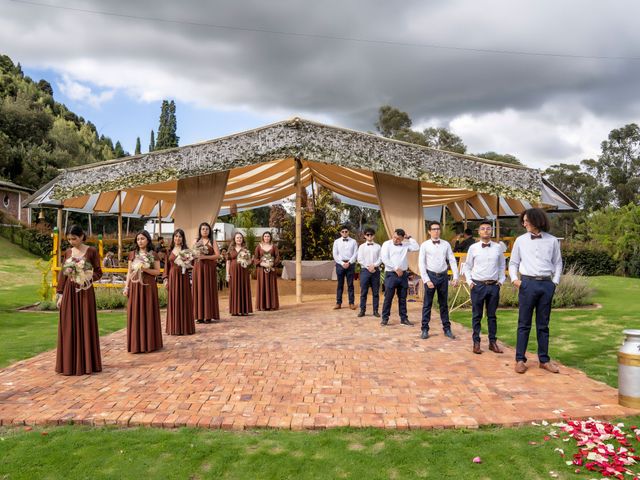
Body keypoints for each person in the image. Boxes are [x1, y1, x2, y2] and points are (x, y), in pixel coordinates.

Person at [509, 208, 563, 374]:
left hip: (546, 285)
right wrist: (515, 280)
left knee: (543, 325)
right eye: (523, 220)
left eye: (527, 220)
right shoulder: (520, 240)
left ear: (536, 220)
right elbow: (513, 263)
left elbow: (558, 263)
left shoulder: (553, 241)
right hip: (527, 284)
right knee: (523, 323)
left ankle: (544, 360)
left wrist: (554, 283)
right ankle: (520, 359)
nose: (524, 223)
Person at [55, 225, 102, 375]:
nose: (71, 241)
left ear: (82, 236)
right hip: (70, 292)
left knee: (86, 323)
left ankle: (88, 363)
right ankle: (69, 364)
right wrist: (60, 294)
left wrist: (87, 277)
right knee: (68, 324)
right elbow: (63, 274)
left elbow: (99, 272)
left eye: (73, 238)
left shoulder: (92, 251)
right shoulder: (68, 252)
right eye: (68, 239)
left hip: (85, 291)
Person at [462, 221, 506, 354]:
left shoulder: (498, 247)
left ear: (491, 231)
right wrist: (470, 281)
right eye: (483, 229)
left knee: (492, 316)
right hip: (478, 286)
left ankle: (493, 342)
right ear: (479, 232)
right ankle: (476, 342)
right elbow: (467, 266)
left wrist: (501, 281)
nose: (486, 231)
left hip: (493, 286)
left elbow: (502, 266)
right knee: (477, 315)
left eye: (488, 228)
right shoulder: (473, 248)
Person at [124, 230, 163, 353]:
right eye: (138, 239)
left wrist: (146, 269)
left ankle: (150, 343)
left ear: (148, 240)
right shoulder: (132, 254)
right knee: (135, 312)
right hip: (135, 286)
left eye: (142, 239)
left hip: (148, 286)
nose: (140, 241)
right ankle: (137, 344)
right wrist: (126, 287)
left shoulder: (153, 254)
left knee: (149, 312)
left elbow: (157, 272)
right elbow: (129, 272)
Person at [418, 221, 459, 340]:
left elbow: (451, 260)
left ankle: (447, 329)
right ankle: (424, 329)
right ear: (429, 231)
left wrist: (455, 277)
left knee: (443, 304)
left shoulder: (446, 244)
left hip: (443, 276)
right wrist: (426, 280)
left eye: (438, 229)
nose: (436, 231)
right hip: (430, 276)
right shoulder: (424, 245)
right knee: (427, 304)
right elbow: (421, 263)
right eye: (434, 229)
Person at [380, 228, 419, 326]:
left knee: (403, 298)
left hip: (403, 275)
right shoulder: (386, 244)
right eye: (394, 237)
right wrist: (396, 268)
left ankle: (404, 319)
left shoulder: (406, 245)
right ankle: (385, 318)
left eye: (398, 238)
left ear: (402, 239)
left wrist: (409, 237)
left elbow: (416, 247)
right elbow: (384, 258)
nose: (395, 239)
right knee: (388, 297)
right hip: (391, 274)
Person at [163, 229, 195, 336]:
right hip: (173, 277)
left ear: (183, 238)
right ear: (173, 238)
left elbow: (192, 265)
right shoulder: (168, 251)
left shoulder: (187, 251)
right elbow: (166, 267)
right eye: (176, 236)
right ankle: (174, 327)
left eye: (180, 236)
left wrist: (187, 262)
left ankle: (185, 327)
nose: (178, 238)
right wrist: (166, 279)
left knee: (185, 300)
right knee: (174, 300)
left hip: (184, 276)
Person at [192, 222, 221, 324]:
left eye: (207, 229)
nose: (205, 231)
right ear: (200, 231)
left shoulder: (212, 241)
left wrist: (205, 257)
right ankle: (199, 316)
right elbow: (192, 254)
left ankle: (208, 315)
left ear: (210, 231)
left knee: (208, 289)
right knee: (199, 289)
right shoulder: (196, 241)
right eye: (203, 229)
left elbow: (217, 255)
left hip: (209, 268)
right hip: (198, 267)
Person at [356, 227, 381, 317]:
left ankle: (375, 311)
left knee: (376, 292)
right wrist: (368, 266)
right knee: (364, 292)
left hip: (375, 270)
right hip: (365, 271)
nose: (369, 236)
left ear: (374, 236)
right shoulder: (361, 247)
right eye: (367, 235)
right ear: (365, 236)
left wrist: (374, 266)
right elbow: (359, 259)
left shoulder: (378, 246)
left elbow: (381, 258)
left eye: (371, 234)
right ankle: (362, 310)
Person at [332, 225, 358, 310]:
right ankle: (338, 303)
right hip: (340, 264)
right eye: (342, 232)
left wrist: (349, 262)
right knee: (340, 284)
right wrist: (342, 263)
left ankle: (351, 303)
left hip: (350, 264)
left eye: (346, 231)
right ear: (340, 233)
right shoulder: (336, 242)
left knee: (350, 284)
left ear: (348, 232)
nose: (344, 233)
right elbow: (335, 254)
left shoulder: (354, 241)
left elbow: (356, 253)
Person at [227, 231, 253, 316]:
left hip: (243, 271)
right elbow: (228, 262)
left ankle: (244, 310)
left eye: (240, 238)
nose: (239, 239)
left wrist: (247, 261)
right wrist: (227, 274)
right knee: (234, 288)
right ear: (234, 239)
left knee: (243, 287)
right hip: (233, 271)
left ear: (242, 239)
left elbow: (249, 262)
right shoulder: (231, 249)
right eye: (237, 237)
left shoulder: (245, 249)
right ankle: (235, 310)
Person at [254, 231, 280, 311]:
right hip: (261, 270)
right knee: (262, 285)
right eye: (265, 236)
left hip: (271, 270)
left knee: (271, 285)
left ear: (270, 237)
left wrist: (272, 263)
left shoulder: (274, 247)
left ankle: (272, 305)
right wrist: (261, 263)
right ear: (263, 237)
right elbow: (255, 258)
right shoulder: (258, 247)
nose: (266, 238)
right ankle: (262, 305)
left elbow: (277, 257)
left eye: (268, 236)